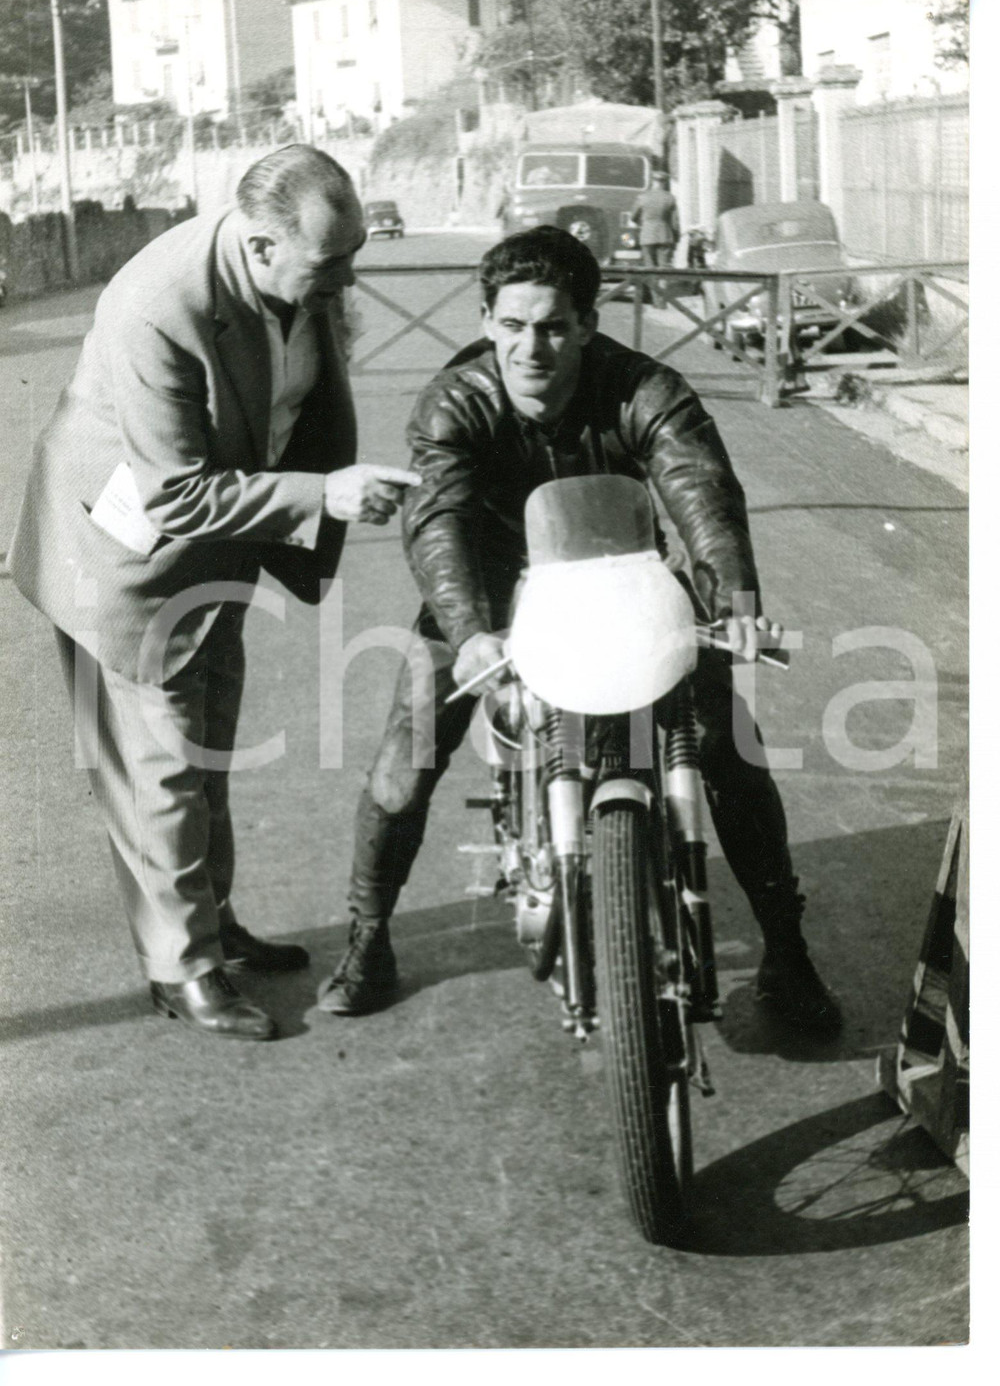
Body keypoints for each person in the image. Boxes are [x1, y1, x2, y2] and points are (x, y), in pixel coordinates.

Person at [316, 224, 842, 1034]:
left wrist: (735, 605)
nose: (534, 347)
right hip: (487, 595)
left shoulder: (645, 389)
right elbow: (439, 521)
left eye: (556, 326)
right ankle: (368, 937)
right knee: (405, 756)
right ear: (486, 319)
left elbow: (702, 493)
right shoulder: (453, 403)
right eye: (515, 325)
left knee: (728, 746)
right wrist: (468, 635)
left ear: (589, 325)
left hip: (625, 579)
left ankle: (788, 950)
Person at [8, 144, 419, 1041]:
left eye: (351, 255)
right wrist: (324, 495)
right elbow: (173, 493)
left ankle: (213, 921)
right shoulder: (163, 306)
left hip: (219, 541)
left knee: (209, 745)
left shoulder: (294, 277)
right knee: (160, 769)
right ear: (263, 243)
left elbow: (296, 403)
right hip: (123, 556)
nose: (349, 277)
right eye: (330, 262)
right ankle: (181, 968)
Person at [632, 169, 679, 306]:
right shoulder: (670, 198)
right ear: (664, 183)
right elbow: (675, 222)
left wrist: (643, 223)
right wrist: (675, 237)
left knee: (650, 268)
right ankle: (662, 300)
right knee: (663, 268)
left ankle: (655, 300)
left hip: (647, 236)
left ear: (652, 181)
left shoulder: (643, 197)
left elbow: (633, 217)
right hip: (665, 235)